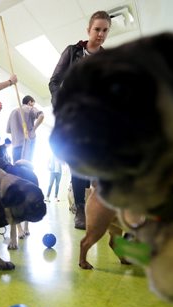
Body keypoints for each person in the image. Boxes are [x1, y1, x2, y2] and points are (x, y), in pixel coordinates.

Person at [49, 10, 111, 229]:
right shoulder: (73, 52)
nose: (101, 34)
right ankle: (81, 211)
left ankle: (98, 207)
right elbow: (54, 82)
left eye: (105, 30)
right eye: (97, 29)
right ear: (88, 30)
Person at [6, 95, 44, 162]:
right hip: (27, 144)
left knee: (16, 169)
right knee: (26, 168)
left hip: (15, 147)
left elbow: (8, 130)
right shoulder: (30, 108)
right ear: (30, 102)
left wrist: (17, 132)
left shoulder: (13, 112)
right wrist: (33, 130)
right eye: (33, 104)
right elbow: (42, 115)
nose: (33, 105)